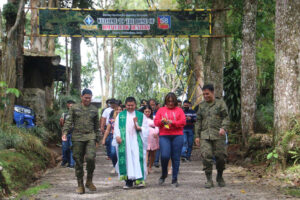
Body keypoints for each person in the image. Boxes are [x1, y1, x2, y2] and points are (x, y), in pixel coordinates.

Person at [62, 89, 100, 194]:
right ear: (81, 97)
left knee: (91, 157)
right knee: (78, 161)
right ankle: (80, 184)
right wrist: (64, 133)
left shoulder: (94, 109)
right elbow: (68, 121)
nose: (87, 99)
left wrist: (98, 139)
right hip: (77, 137)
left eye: (89, 98)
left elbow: (97, 126)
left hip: (90, 136)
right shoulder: (74, 108)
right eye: (86, 97)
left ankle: (89, 180)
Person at [194, 84, 230, 188]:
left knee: (221, 157)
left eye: (207, 94)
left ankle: (219, 176)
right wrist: (197, 135)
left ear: (213, 92)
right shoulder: (201, 106)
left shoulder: (220, 104)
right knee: (206, 157)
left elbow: (226, 117)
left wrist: (223, 127)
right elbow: (198, 121)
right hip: (205, 135)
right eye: (204, 94)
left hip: (218, 135)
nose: (205, 96)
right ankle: (209, 179)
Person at [113, 97, 149, 189]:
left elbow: (146, 128)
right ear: (125, 105)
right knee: (127, 159)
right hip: (125, 141)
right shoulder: (120, 115)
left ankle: (140, 180)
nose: (130, 107)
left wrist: (139, 128)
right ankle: (128, 181)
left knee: (138, 158)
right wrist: (117, 136)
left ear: (135, 105)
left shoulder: (140, 115)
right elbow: (116, 127)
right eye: (128, 105)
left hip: (137, 140)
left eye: (132, 105)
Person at [154, 92, 186, 187]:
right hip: (164, 135)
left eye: (172, 101)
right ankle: (164, 174)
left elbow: (183, 122)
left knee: (176, 158)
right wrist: (162, 121)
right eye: (169, 101)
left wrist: (172, 122)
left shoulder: (179, 110)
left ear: (175, 101)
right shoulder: (161, 110)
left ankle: (174, 179)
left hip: (177, 135)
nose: (170, 103)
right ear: (166, 101)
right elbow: (156, 122)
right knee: (164, 156)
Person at [102, 105, 123, 173]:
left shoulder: (125, 119)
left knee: (122, 154)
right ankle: (115, 166)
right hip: (113, 137)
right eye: (117, 109)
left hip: (123, 138)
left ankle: (122, 167)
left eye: (120, 109)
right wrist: (104, 139)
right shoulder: (111, 120)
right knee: (113, 153)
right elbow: (108, 130)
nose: (119, 111)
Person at [141, 105, 159, 174]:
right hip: (144, 136)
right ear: (143, 112)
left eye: (149, 111)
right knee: (146, 152)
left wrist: (156, 132)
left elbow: (157, 126)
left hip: (153, 137)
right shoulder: (141, 118)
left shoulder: (154, 118)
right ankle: (145, 168)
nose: (147, 113)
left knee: (153, 153)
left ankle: (150, 167)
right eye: (146, 111)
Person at [60, 100, 75, 168]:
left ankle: (72, 164)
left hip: (74, 133)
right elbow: (61, 125)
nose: (71, 105)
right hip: (65, 133)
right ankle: (65, 161)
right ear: (67, 105)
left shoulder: (76, 114)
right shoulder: (64, 114)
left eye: (72, 104)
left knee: (72, 148)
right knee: (65, 148)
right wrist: (61, 121)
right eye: (69, 104)